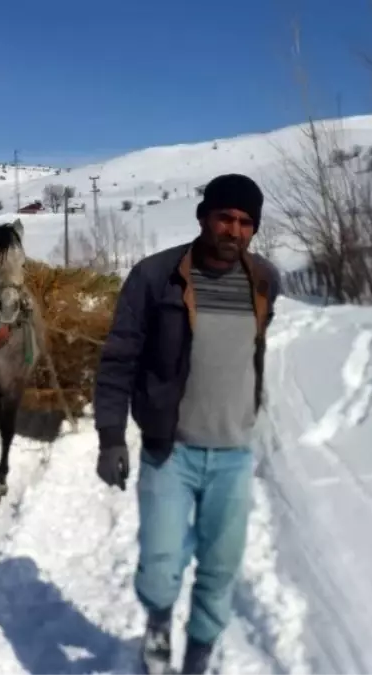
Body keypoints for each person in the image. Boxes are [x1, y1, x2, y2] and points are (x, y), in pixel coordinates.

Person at [92, 173, 279, 675]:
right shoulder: (156, 276)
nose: (233, 230)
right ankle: (157, 623)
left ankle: (197, 654)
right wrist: (111, 436)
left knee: (220, 568)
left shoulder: (264, 280)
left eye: (245, 222)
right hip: (167, 451)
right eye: (225, 217)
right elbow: (118, 360)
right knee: (159, 564)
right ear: (204, 217)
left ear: (253, 229)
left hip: (234, 452)